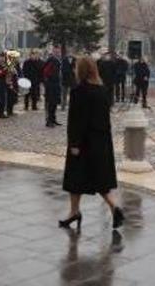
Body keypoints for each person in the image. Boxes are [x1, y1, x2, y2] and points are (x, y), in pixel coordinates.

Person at [59, 56, 124, 231]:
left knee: (75, 179)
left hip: (83, 142)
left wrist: (74, 143)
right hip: (101, 141)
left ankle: (76, 211)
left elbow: (76, 120)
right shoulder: (102, 90)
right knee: (99, 179)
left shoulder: (79, 91)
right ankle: (112, 206)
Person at [43, 46, 63, 127]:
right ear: (53, 51)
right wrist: (48, 80)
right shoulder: (51, 60)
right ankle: (49, 121)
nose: (58, 53)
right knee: (50, 103)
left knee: (55, 103)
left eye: (58, 51)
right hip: (51, 85)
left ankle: (53, 119)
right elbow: (46, 71)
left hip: (56, 84)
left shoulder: (58, 60)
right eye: (56, 51)